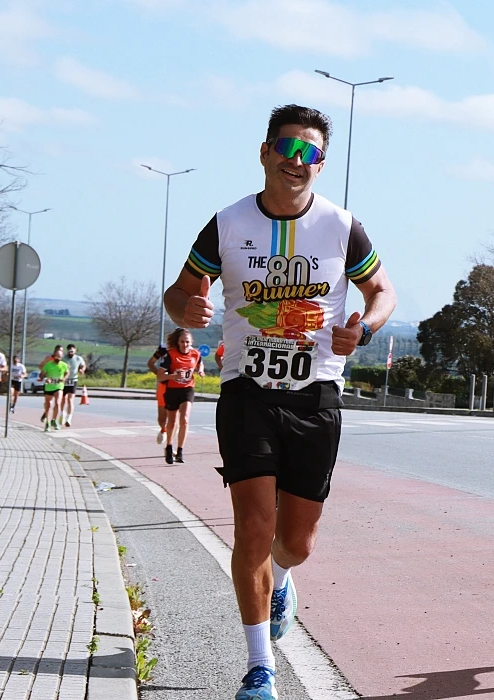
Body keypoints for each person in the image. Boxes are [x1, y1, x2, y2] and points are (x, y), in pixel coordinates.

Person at [163, 104, 396, 699]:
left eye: (310, 154)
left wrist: (364, 328)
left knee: (295, 541)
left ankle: (283, 579)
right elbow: (181, 290)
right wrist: (185, 308)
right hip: (247, 392)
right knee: (252, 529)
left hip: (315, 394)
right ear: (265, 152)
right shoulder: (226, 223)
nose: (297, 162)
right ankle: (259, 666)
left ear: (321, 164)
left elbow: (382, 291)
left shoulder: (343, 226)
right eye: (287, 149)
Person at [157, 328, 204, 464]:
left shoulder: (195, 354)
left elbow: (200, 362)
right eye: (182, 342)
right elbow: (160, 376)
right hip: (172, 390)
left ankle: (181, 451)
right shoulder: (170, 355)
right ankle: (169, 447)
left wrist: (200, 370)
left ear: (191, 342)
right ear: (178, 342)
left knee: (184, 419)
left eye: (187, 342)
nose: (185, 345)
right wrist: (174, 376)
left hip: (187, 389)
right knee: (172, 421)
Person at [39, 345, 69, 432]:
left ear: (62, 357)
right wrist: (46, 379)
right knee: (48, 405)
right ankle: (47, 423)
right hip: (49, 387)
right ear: (54, 356)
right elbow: (41, 375)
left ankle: (54, 420)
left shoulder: (64, 365)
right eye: (56, 357)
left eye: (59, 357)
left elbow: (67, 372)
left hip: (58, 386)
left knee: (58, 403)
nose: (57, 359)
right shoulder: (48, 365)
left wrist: (64, 378)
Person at [60, 344, 87, 427]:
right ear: (67, 351)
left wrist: (82, 369)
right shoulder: (64, 358)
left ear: (75, 350)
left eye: (72, 351)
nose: (71, 352)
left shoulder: (78, 358)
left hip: (73, 380)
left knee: (70, 400)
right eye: (69, 351)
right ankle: (62, 414)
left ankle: (69, 418)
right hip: (64, 380)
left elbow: (83, 365)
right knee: (63, 399)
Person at [147, 344, 169, 444]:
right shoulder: (164, 349)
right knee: (162, 418)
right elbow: (151, 363)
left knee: (174, 417)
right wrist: (160, 375)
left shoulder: (185, 349)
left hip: (177, 387)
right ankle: (163, 429)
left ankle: (170, 444)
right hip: (163, 386)